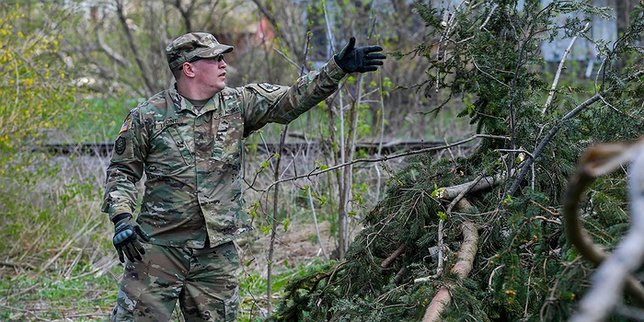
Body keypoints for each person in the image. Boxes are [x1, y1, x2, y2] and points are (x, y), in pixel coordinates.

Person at [102, 31, 385, 321]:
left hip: (214, 255)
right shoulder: (148, 116)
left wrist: (336, 68)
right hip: (157, 250)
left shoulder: (239, 104)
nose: (224, 64)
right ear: (189, 68)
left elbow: (292, 99)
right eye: (214, 59)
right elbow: (123, 171)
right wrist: (122, 217)